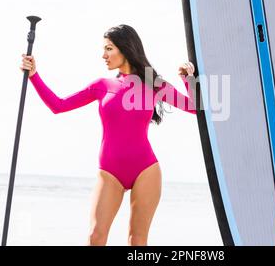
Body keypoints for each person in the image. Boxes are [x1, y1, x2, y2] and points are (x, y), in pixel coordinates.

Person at [19, 24, 197, 246]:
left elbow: (194, 106)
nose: (104, 55)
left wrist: (187, 79)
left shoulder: (153, 83)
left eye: (109, 48)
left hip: (146, 170)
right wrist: (34, 75)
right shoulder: (101, 86)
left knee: (137, 240)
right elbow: (59, 105)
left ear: (125, 48)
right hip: (110, 172)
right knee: (96, 236)